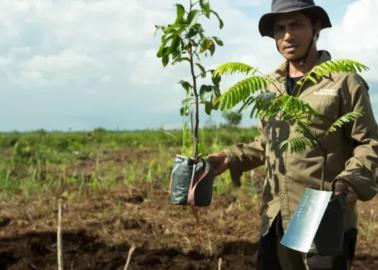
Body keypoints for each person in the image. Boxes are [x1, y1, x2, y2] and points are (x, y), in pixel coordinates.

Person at [208, 0, 378, 269]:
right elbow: (269, 143)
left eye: (297, 25)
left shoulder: (344, 82)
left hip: (321, 210)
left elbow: (369, 143)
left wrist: (351, 181)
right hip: (276, 212)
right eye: (280, 28)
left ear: (316, 27)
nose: (287, 35)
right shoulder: (269, 85)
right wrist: (229, 157)